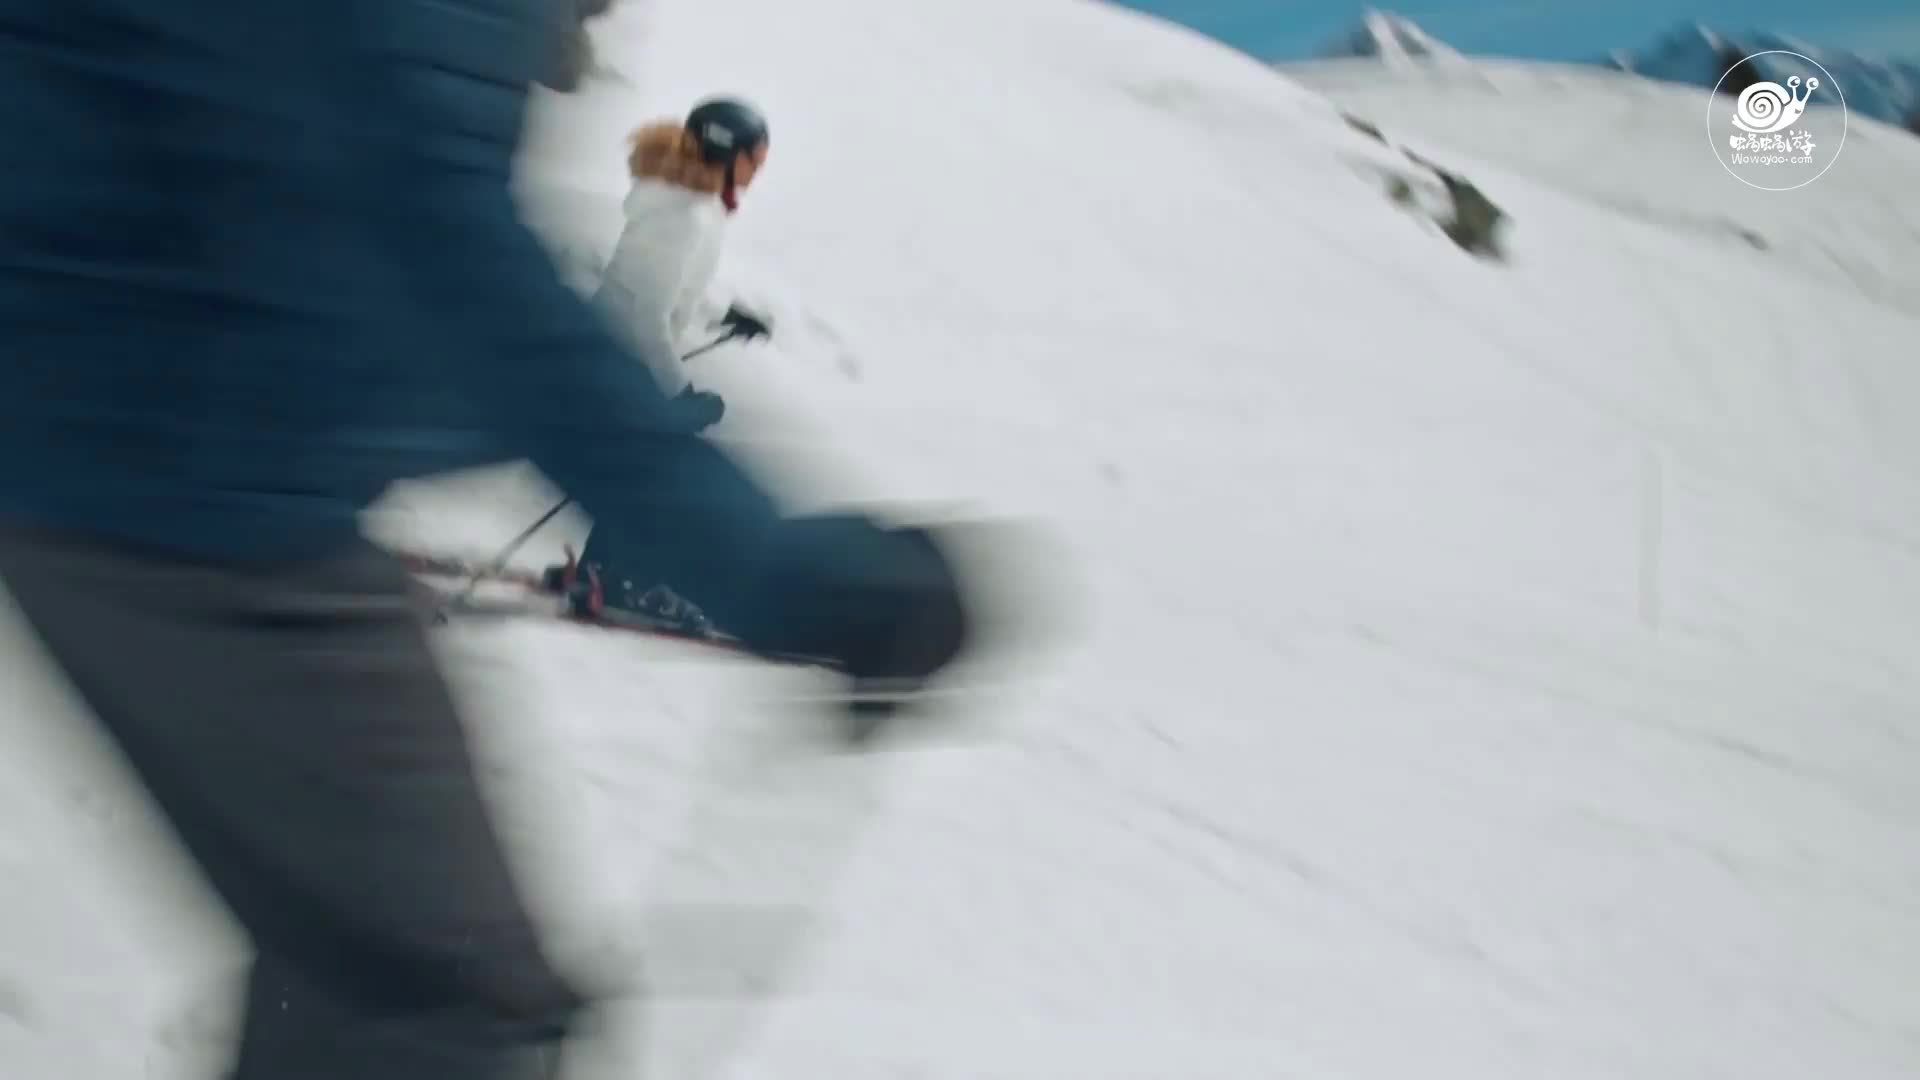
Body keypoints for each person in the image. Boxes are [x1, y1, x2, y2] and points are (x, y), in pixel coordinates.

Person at [0, 3, 974, 1079]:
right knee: (446, 1007)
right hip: (165, 478)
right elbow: (435, 257)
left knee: (377, 976)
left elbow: (351, 241)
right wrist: (774, 564)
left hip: (191, 454)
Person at [559, 97, 781, 632]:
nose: (758, 169)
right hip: (622, 360)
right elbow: (647, 316)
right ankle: (619, 581)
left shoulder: (688, 205)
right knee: (660, 472)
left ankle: (600, 572)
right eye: (754, 157)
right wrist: (678, 393)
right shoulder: (685, 216)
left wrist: (723, 315)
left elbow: (664, 291)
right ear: (726, 151)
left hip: (617, 356)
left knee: (645, 468)